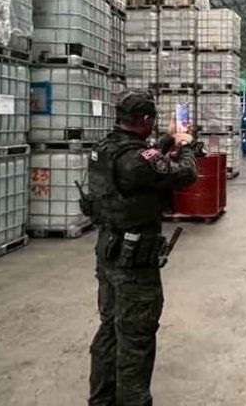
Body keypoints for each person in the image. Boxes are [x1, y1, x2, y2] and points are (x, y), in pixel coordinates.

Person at [87, 90, 198, 406]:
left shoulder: (105, 148)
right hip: (134, 263)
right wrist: (187, 147)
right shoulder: (137, 161)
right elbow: (184, 175)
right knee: (136, 339)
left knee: (109, 329)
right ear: (145, 119)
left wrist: (167, 141)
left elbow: (144, 161)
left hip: (108, 252)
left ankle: (101, 400)